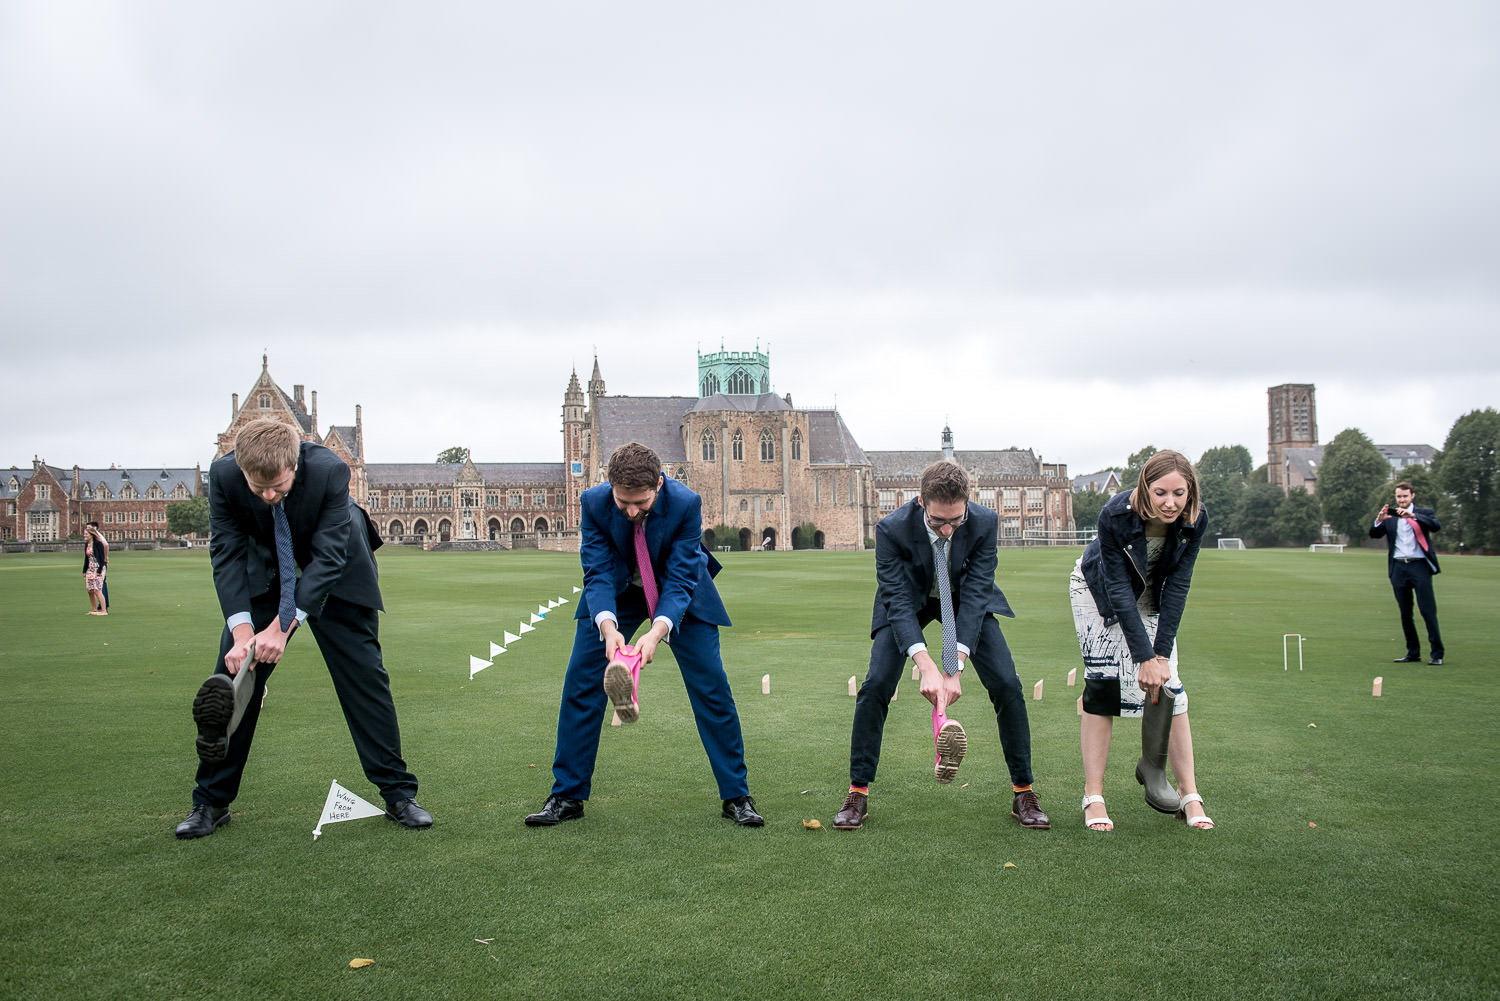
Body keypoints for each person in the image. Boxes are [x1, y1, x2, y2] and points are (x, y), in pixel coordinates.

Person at [174, 418, 431, 838]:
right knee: (234, 678)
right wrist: (244, 634)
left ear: (295, 463)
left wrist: (282, 626)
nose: (269, 496)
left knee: (365, 679)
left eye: (278, 485)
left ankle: (399, 794)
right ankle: (211, 801)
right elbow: (225, 553)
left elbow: (328, 557)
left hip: (337, 568)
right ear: (239, 469)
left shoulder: (330, 469)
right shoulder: (222, 476)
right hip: (265, 568)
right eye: (258, 489)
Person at [525, 441, 763, 828]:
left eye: (641, 502)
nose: (632, 511)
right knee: (580, 682)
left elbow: (683, 576)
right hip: (618, 591)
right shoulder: (593, 502)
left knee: (711, 686)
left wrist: (656, 633)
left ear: (659, 484)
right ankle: (567, 795)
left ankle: (737, 795)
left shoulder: (686, 503)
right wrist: (607, 627)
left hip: (678, 590)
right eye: (623, 503)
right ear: (609, 486)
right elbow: (597, 572)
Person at [833, 460, 1050, 832]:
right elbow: (897, 602)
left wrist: (955, 663)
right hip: (910, 602)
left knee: (1007, 684)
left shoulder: (984, 523)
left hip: (966, 603)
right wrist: (927, 665)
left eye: (956, 520)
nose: (948, 530)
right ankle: (857, 792)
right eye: (937, 522)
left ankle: (1024, 791)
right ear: (920, 502)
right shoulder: (891, 529)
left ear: (968, 504)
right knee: (877, 685)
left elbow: (979, 589)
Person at [1070, 449, 1212, 831]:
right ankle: (1094, 796)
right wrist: (1142, 657)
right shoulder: (1115, 515)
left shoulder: (1195, 520)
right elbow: (1117, 587)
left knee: (1173, 689)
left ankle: (1188, 794)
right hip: (1098, 591)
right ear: (1144, 488)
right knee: (1103, 687)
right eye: (1161, 493)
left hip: (1155, 594)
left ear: (1190, 492)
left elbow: (1178, 586)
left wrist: (1160, 655)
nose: (1170, 503)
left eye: (1179, 493)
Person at [1371, 481, 1444, 665]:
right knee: (1405, 613)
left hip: (1419, 566)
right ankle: (1413, 652)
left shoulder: (1423, 513)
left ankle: (1437, 654)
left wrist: (1414, 516)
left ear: (1412, 496)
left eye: (1405, 496)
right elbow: (1374, 534)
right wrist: (1379, 520)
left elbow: (1435, 526)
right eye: (1398, 497)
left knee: (1427, 611)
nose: (1401, 499)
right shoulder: (1391, 515)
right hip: (1399, 568)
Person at [82, 525, 107, 615]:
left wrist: (99, 571)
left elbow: (102, 558)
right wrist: (84, 570)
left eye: (86, 534)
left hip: (98, 568)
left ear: (91, 535)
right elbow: (86, 558)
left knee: (97, 589)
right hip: (90, 568)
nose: (84, 535)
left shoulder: (98, 544)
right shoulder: (87, 544)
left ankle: (104, 611)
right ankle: (95, 609)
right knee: (90, 590)